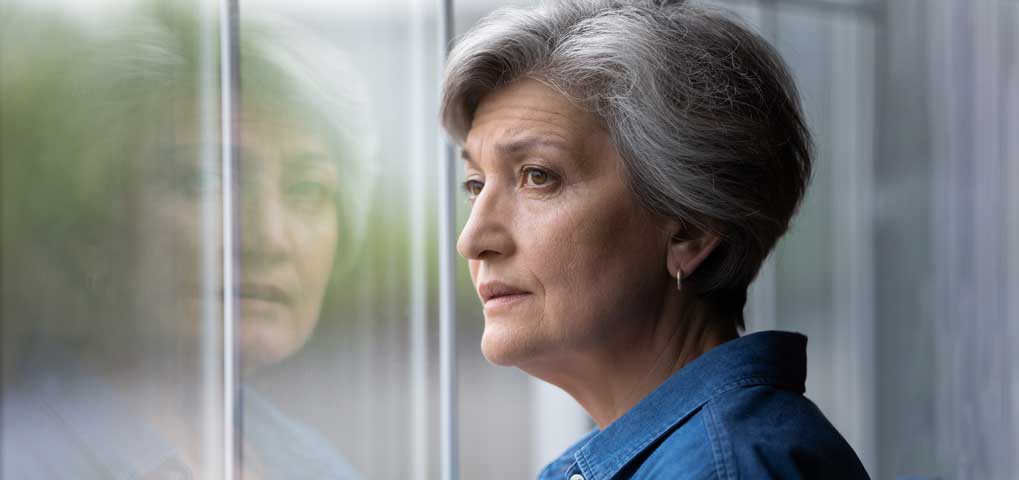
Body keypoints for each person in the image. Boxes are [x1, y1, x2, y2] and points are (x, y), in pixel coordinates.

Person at [441, 1, 869, 478]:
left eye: (538, 176)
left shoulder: (726, 469)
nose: (472, 239)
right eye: (475, 185)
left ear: (690, 227)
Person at [1, 4, 372, 478]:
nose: (270, 239)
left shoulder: (316, 464)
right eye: (204, 180)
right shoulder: (22, 457)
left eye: (307, 189)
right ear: (90, 221)